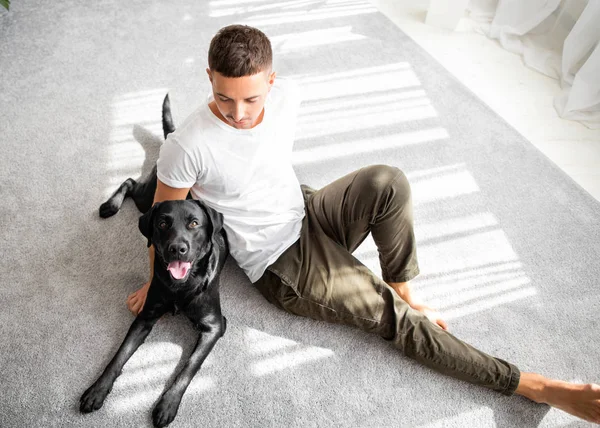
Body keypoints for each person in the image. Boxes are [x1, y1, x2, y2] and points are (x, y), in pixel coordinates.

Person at [126, 24, 600, 424]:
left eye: (250, 97)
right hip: (281, 262)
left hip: (306, 207)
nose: (239, 113)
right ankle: (535, 387)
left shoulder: (289, 96)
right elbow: (168, 223)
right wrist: (156, 284)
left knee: (387, 182)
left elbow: (266, 158)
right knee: (395, 323)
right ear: (209, 78)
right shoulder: (187, 145)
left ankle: (405, 290)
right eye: (223, 98)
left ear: (272, 80)